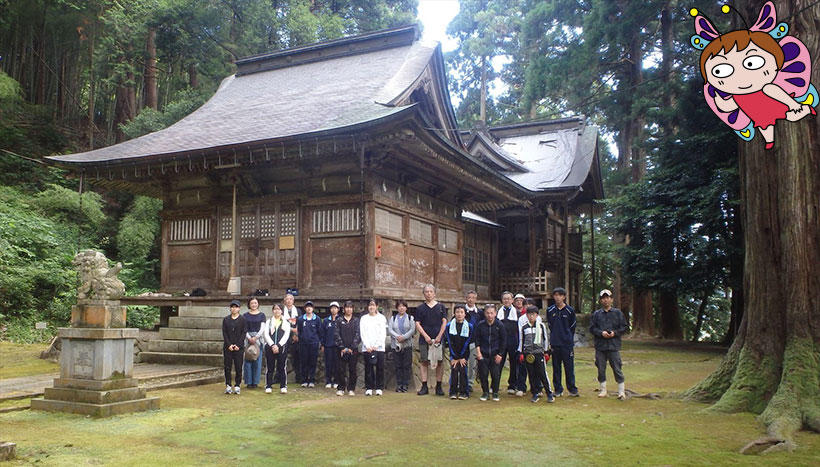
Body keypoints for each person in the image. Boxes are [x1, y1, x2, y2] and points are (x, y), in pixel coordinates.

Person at [590, 289, 628, 400]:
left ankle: (621, 391)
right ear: (601, 300)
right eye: (603, 298)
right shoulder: (596, 314)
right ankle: (603, 389)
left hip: (613, 345)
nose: (606, 300)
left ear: (611, 299)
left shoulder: (618, 313)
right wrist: (601, 333)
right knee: (601, 368)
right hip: (600, 346)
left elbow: (624, 327)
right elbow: (592, 328)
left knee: (617, 367)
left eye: (608, 298)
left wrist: (615, 333)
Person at [415, 284, 447, 396]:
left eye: (430, 291)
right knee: (424, 361)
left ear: (434, 293)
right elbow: (417, 323)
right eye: (426, 292)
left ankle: (439, 386)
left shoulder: (441, 307)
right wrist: (425, 336)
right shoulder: (420, 308)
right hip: (425, 339)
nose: (428, 294)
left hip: (439, 339)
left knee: (439, 362)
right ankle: (424, 386)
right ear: (423, 294)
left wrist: (439, 336)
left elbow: (444, 322)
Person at [518, 305, 554, 403]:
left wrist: (546, 351)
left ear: (537, 315)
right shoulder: (524, 327)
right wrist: (521, 352)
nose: (531, 317)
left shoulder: (541, 326)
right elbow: (521, 339)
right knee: (531, 374)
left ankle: (549, 393)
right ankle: (535, 393)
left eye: (533, 314)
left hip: (539, 353)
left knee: (542, 373)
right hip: (528, 353)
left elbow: (545, 339)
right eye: (529, 314)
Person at [546, 287, 578, 397]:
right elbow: (550, 325)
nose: (558, 297)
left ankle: (572, 389)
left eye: (560, 295)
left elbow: (572, 326)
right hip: (555, 343)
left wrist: (567, 337)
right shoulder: (550, 310)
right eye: (555, 295)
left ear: (564, 297)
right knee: (556, 367)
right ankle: (558, 389)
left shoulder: (570, 310)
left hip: (567, 344)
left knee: (569, 367)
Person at [475, 303, 506, 401]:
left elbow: (503, 340)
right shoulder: (480, 325)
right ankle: (485, 393)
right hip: (483, 354)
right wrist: (478, 353)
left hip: (495, 354)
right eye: (487, 313)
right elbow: (477, 340)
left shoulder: (499, 325)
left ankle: (495, 392)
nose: (489, 315)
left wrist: (500, 354)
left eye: (491, 313)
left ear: (495, 313)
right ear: (484, 313)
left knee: (495, 374)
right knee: (483, 374)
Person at [360, 298, 387, 396]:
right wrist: (367, 345)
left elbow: (383, 333)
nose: (371, 307)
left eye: (373, 305)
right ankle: (369, 387)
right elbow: (363, 333)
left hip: (379, 347)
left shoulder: (382, 318)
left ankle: (379, 387)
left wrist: (376, 345)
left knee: (380, 368)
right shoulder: (364, 318)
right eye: (370, 305)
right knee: (368, 367)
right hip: (367, 347)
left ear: (377, 307)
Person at [446, 304, 473, 400]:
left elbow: (468, 342)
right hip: (454, 354)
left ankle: (464, 392)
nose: (459, 314)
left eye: (462, 312)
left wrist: (463, 357)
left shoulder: (469, 326)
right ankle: (453, 392)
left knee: (463, 372)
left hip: (464, 355)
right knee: (454, 371)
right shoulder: (449, 326)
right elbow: (449, 342)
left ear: (465, 314)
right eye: (457, 312)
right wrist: (454, 357)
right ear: (454, 313)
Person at [263, 304, 291, 394]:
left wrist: (278, 345)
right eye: (275, 309)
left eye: (278, 309)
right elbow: (266, 334)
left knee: (281, 367)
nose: (277, 311)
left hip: (281, 347)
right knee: (270, 367)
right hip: (270, 347)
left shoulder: (286, 322)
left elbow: (286, 335)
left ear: (282, 311)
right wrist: (272, 345)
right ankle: (268, 385)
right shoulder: (269, 322)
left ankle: (283, 386)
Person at [497, 291, 521, 396]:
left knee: (514, 363)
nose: (506, 300)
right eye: (504, 298)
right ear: (502, 300)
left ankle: (512, 385)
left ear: (512, 300)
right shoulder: (498, 312)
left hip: (513, 340)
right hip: (501, 341)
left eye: (508, 298)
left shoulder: (517, 313)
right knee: (498, 364)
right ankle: (495, 385)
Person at [388, 300, 415, 393]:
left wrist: (404, 337)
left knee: (406, 365)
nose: (401, 308)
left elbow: (412, 330)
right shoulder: (393, 318)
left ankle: (405, 384)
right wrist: (397, 337)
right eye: (399, 306)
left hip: (407, 345)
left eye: (403, 306)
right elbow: (390, 330)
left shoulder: (410, 318)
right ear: (397, 308)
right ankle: (399, 384)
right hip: (396, 345)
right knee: (398, 365)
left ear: (406, 308)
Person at [334, 301, 361, 396]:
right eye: (347, 307)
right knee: (341, 369)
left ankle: (351, 388)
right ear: (343, 309)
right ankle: (341, 388)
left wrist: (352, 347)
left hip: (353, 350)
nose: (349, 309)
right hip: (341, 350)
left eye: (350, 307)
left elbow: (358, 335)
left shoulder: (356, 320)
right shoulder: (339, 320)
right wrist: (342, 347)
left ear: (353, 309)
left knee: (352, 369)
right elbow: (336, 334)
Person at [222, 299, 246, 395]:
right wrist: (229, 344)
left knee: (238, 366)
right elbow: (224, 333)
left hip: (238, 347)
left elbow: (243, 333)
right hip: (228, 347)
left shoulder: (242, 320)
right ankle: (228, 384)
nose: (234, 309)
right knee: (227, 366)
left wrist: (238, 345)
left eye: (236, 307)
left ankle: (237, 385)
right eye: (232, 307)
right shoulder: (226, 319)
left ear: (239, 308)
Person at [243, 297, 266, 389]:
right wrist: (249, 338)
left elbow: (262, 328)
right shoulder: (245, 315)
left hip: (258, 339)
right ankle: (248, 382)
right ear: (249, 304)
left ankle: (255, 382)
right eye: (252, 303)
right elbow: (244, 328)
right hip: (247, 339)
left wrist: (256, 337)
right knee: (248, 360)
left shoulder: (262, 315)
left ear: (258, 304)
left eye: (255, 303)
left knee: (257, 360)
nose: (254, 305)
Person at [297, 301, 322, 387]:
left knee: (312, 362)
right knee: (304, 362)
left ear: (313, 308)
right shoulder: (301, 319)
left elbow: (319, 331)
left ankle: (311, 380)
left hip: (313, 344)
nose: (309, 308)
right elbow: (299, 331)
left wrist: (318, 341)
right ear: (305, 309)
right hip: (303, 344)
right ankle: (304, 380)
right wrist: (302, 339)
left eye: (310, 307)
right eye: (307, 307)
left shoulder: (317, 319)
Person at [464, 290, 482, 396]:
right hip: (462, 342)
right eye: (469, 297)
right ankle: (462, 382)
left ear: (476, 299)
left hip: (474, 341)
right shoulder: (461, 311)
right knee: (463, 363)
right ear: (466, 298)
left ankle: (470, 383)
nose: (470, 299)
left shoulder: (479, 313)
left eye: (473, 297)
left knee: (472, 364)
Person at [282, 294, 301, 384]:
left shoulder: (298, 311)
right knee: (282, 357)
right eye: (287, 299)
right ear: (284, 301)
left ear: (293, 301)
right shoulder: (281, 311)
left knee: (297, 358)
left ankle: (299, 377)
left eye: (291, 299)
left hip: (295, 337)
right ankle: (279, 377)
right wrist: (290, 329)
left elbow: (300, 323)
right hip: (284, 336)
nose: (289, 301)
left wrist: (296, 334)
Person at [321, 301, 341, 389]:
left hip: (337, 346)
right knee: (328, 364)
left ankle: (336, 381)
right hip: (328, 345)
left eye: (335, 308)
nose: (334, 309)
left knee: (337, 364)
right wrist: (322, 344)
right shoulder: (326, 320)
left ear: (338, 309)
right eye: (332, 308)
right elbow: (322, 333)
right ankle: (328, 381)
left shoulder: (340, 319)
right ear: (330, 309)